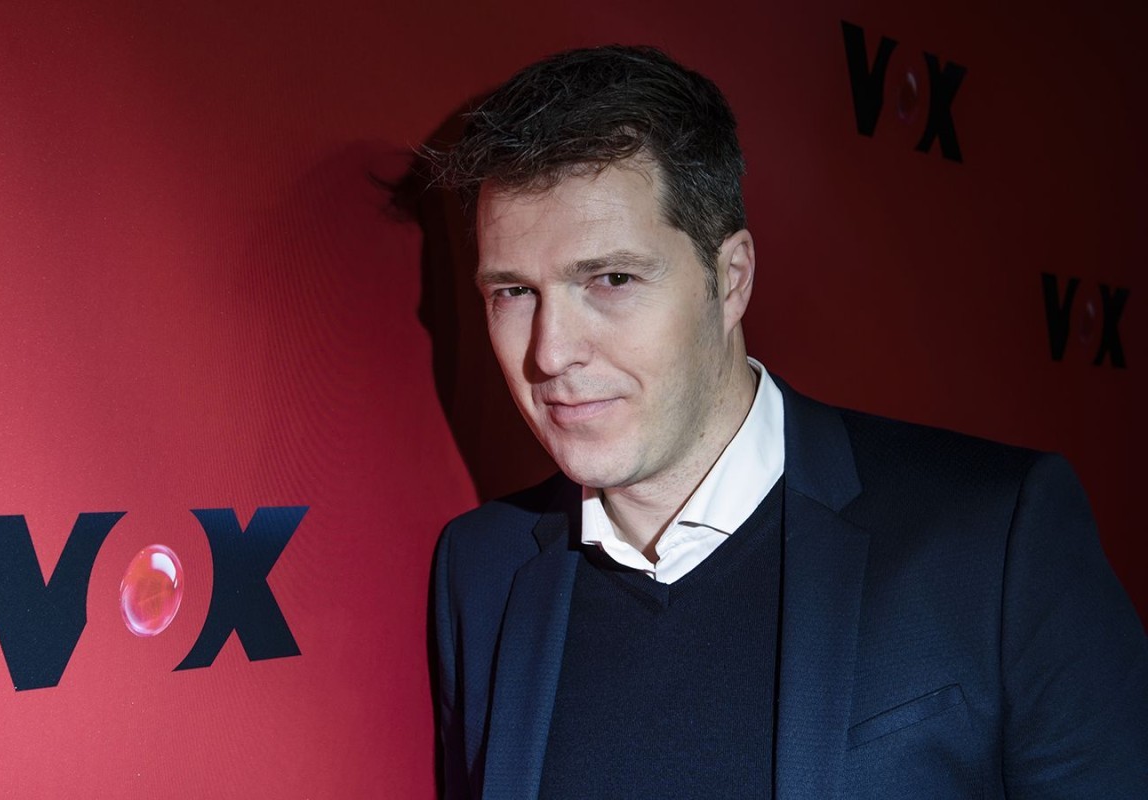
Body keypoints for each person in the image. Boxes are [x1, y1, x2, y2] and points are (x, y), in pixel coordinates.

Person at [430, 45, 1147, 799]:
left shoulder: (994, 536)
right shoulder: (480, 571)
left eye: (612, 279)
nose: (550, 353)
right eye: (513, 292)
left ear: (730, 278)